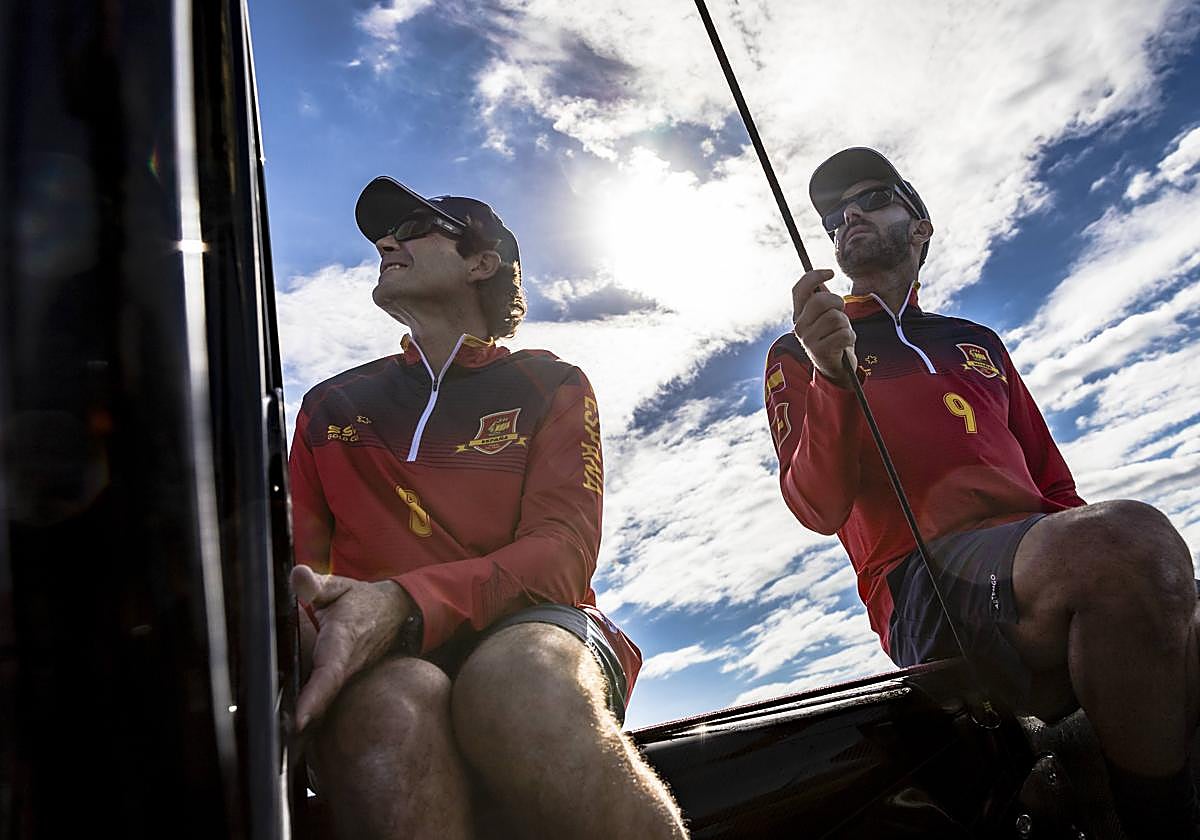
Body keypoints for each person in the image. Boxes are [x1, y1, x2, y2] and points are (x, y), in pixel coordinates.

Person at [764, 147, 1199, 838]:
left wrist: (1132, 580)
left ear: (920, 227)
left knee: (1169, 586)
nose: (849, 216)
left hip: (1041, 559)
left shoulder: (978, 342)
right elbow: (817, 506)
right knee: (1130, 540)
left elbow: (1054, 485)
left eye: (872, 198)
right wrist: (831, 377)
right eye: (835, 216)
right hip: (922, 586)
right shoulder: (800, 352)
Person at [288, 176, 687, 840]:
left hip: (533, 628)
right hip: (377, 655)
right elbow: (303, 570)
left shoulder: (551, 383)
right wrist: (316, 639)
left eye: (413, 229)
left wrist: (404, 602)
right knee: (389, 712)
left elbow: (561, 555)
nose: (386, 243)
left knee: (518, 684)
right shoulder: (328, 406)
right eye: (384, 236)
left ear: (481, 262)